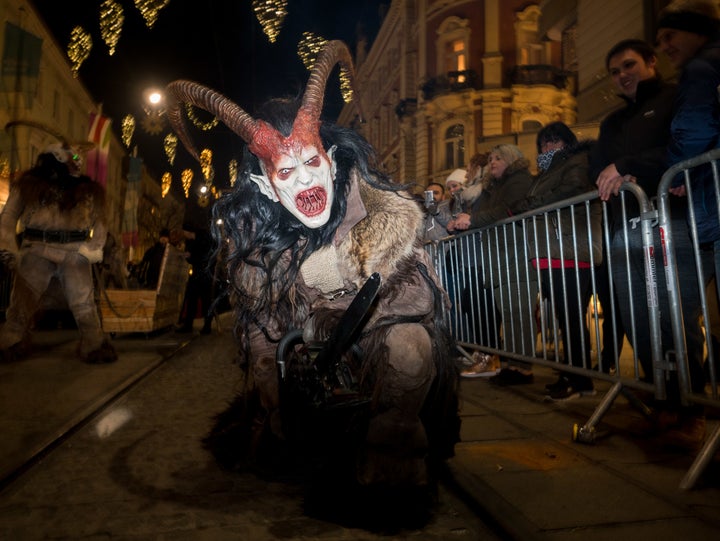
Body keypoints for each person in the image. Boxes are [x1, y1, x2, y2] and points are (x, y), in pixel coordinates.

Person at [164, 40, 459, 489]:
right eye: (285, 171)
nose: (303, 178)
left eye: (310, 161)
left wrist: (348, 275)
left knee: (411, 350)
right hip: (307, 367)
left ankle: (391, 455)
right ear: (267, 188)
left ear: (332, 163)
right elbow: (260, 331)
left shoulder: (383, 213)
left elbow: (418, 295)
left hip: (379, 345)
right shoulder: (261, 249)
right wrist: (272, 384)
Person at [592, 38, 710, 448]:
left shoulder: (675, 98)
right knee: (640, 319)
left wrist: (630, 167)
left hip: (673, 222)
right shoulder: (611, 123)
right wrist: (623, 170)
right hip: (625, 226)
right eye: (615, 70)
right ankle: (660, 401)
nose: (623, 75)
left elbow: (681, 149)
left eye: (629, 65)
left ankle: (691, 407)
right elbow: (598, 168)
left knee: (676, 317)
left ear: (651, 63)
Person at [654, 0, 720, 447]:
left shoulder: (701, 69)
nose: (663, 47)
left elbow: (694, 131)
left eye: (668, 37)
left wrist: (678, 169)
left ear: (694, 30)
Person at [0, 143, 117, 364]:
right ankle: (11, 340)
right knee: (22, 303)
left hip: (74, 253)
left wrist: (93, 249)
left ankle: (93, 343)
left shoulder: (87, 190)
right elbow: (7, 219)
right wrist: (7, 247)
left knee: (83, 304)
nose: (78, 161)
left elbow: (101, 222)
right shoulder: (28, 186)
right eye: (73, 156)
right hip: (37, 249)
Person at [522, 122, 602, 400]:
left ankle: (581, 381)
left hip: (570, 249)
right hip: (551, 250)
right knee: (564, 317)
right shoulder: (546, 170)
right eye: (544, 143)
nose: (548, 147)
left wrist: (533, 203)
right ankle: (572, 374)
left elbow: (573, 190)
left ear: (566, 142)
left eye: (554, 141)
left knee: (571, 318)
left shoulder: (578, 160)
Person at [449, 144, 537, 385]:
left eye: (498, 158)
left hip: (516, 252)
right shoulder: (494, 185)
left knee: (519, 312)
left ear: (511, 159)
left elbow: (506, 209)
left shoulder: (519, 180)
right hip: (499, 254)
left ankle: (522, 368)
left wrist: (473, 218)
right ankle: (512, 363)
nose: (492, 162)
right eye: (490, 159)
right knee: (508, 313)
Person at [177, 227, 214, 334]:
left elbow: (205, 257)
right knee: (191, 300)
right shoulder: (191, 242)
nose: (184, 234)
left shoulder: (204, 240)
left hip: (205, 274)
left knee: (205, 301)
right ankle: (188, 325)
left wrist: (191, 256)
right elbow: (193, 259)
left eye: (184, 231)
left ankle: (207, 326)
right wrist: (188, 257)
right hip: (197, 274)